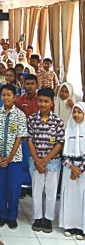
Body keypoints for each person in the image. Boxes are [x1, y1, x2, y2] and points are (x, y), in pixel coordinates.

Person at [24, 88, 65, 234]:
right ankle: (37, 217)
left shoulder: (58, 121)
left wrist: (45, 161)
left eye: (46, 101)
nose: (43, 104)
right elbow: (29, 140)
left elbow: (59, 143)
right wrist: (37, 161)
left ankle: (48, 219)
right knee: (36, 190)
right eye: (40, 101)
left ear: (52, 103)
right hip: (35, 161)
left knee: (51, 191)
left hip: (52, 162)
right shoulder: (32, 119)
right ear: (37, 101)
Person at [0, 84, 28, 229]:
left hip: (15, 159)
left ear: (14, 97)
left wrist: (10, 158)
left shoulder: (20, 115)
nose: (5, 97)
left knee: (13, 189)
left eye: (9, 95)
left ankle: (12, 216)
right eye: (3, 95)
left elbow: (20, 138)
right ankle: (2, 215)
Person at [58, 102, 85, 240]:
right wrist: (72, 167)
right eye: (74, 112)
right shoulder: (69, 128)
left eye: (79, 112)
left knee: (82, 198)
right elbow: (64, 153)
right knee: (69, 197)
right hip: (69, 169)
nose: (76, 115)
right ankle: (69, 225)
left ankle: (82, 228)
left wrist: (79, 169)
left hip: (83, 172)